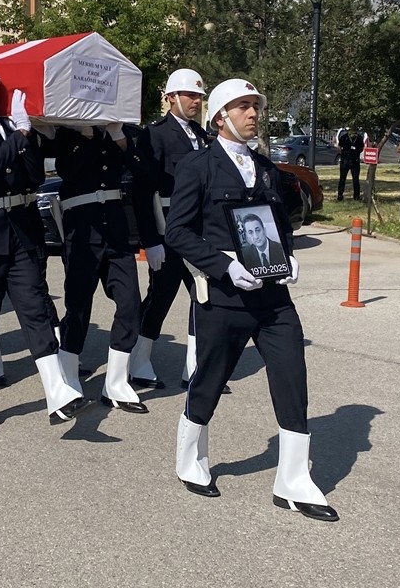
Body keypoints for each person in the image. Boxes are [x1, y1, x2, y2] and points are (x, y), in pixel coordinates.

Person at [166, 77, 338, 522]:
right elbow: (178, 233)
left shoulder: (264, 168)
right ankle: (191, 459)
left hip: (273, 298)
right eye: (243, 106)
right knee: (209, 377)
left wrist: (290, 257)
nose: (253, 114)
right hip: (225, 296)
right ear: (220, 116)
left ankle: (293, 480)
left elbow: (280, 224)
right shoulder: (197, 166)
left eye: (255, 106)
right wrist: (224, 265)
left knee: (292, 377)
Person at [0, 56, 91, 434]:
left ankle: (58, 395)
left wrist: (29, 135)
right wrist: (20, 136)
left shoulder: (10, 125)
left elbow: (33, 177)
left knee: (36, 311)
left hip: (20, 232)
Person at [128, 68, 230, 394]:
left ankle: (194, 367)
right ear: (171, 98)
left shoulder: (201, 136)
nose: (196, 102)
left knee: (203, 296)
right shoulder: (154, 135)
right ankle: (138, 359)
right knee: (161, 296)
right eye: (190, 95)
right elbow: (144, 192)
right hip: (169, 228)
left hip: (198, 231)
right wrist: (151, 241)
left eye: (199, 96)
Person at [41, 121, 148, 415]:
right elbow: (69, 170)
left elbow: (141, 169)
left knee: (129, 303)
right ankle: (68, 375)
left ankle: (115, 383)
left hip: (115, 228)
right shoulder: (65, 134)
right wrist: (86, 134)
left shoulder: (122, 133)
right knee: (78, 305)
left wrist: (118, 137)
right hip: (83, 228)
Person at [335, 124, 364, 201]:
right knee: (342, 178)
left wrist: (356, 153)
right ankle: (340, 196)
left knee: (355, 179)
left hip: (355, 161)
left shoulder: (359, 138)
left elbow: (361, 148)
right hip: (345, 161)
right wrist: (343, 153)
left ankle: (356, 197)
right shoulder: (344, 137)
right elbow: (339, 147)